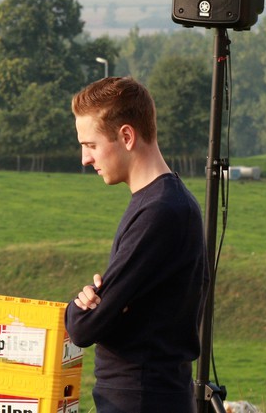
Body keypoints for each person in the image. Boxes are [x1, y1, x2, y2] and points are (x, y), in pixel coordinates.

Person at [64, 77, 209, 413]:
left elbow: (84, 328)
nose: (85, 159)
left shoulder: (160, 212)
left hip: (142, 399)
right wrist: (102, 305)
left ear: (126, 136)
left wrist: (82, 307)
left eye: (92, 145)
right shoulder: (163, 201)